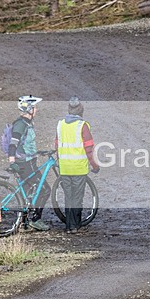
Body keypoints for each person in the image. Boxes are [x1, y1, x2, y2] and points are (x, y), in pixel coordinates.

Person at [55, 96, 100, 234]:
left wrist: (60, 161)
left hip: (64, 167)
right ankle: (75, 226)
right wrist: (95, 165)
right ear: (81, 111)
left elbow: (57, 145)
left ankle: (69, 226)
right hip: (78, 168)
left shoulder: (60, 124)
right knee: (77, 197)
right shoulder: (83, 126)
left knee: (68, 197)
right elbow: (88, 149)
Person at [7, 95, 50, 231]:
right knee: (44, 190)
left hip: (27, 162)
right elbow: (13, 144)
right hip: (25, 164)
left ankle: (25, 221)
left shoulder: (25, 123)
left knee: (28, 191)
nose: (36, 110)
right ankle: (35, 219)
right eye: (35, 107)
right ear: (30, 109)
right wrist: (12, 161)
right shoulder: (21, 124)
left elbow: (26, 144)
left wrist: (39, 152)